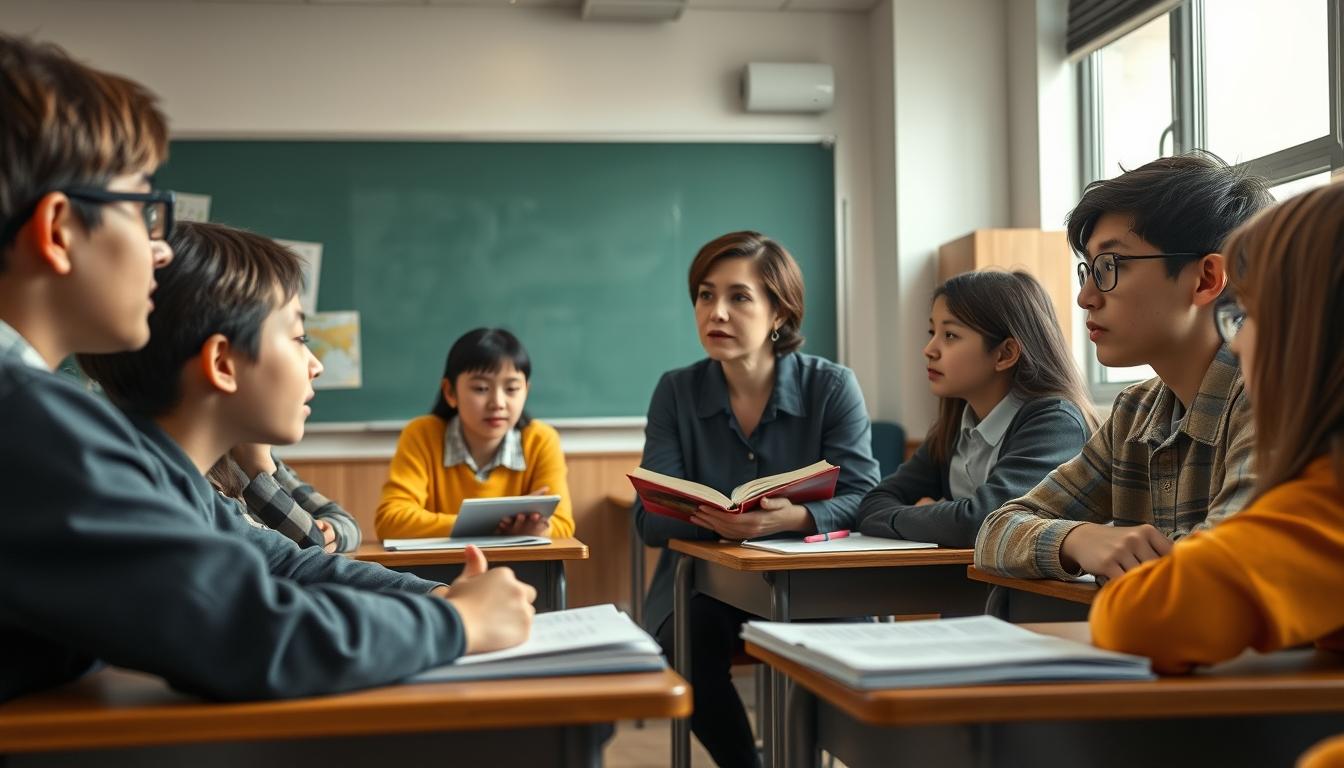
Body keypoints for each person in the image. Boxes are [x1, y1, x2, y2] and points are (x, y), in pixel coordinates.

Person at [634, 230, 880, 767]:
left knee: (848, 664)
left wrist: (796, 517)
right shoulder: (676, 391)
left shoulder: (832, 386)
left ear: (778, 314)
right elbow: (651, 519)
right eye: (705, 295)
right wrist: (726, 523)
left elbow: (864, 496)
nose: (716, 312)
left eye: (739, 297)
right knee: (682, 648)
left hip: (817, 584)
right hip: (705, 589)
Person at [975, 153, 1272, 583]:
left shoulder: (1271, 395)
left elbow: (1220, 570)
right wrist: (1076, 539)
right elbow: (995, 531)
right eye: (1088, 271)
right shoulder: (1135, 410)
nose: (1086, 297)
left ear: (1207, 278)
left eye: (1110, 267)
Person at [1091, 182, 1344, 673]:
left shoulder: (1329, 498)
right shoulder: (1133, 408)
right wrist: (1079, 538)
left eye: (1247, 316)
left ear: (1311, 331)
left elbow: (1145, 618)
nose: (1240, 344)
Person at [858, 270, 1096, 547]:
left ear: (1005, 354)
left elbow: (987, 522)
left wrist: (919, 513)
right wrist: (938, 518)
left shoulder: (1056, 424)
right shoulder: (957, 424)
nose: (929, 349)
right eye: (932, 332)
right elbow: (872, 505)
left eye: (949, 335)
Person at [375, 327, 575, 539]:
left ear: (526, 390)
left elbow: (562, 525)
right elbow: (391, 521)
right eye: (480, 388)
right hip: (436, 571)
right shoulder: (422, 434)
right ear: (450, 392)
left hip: (520, 570)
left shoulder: (541, 439)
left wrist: (540, 528)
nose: (497, 403)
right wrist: (496, 525)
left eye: (512, 389)